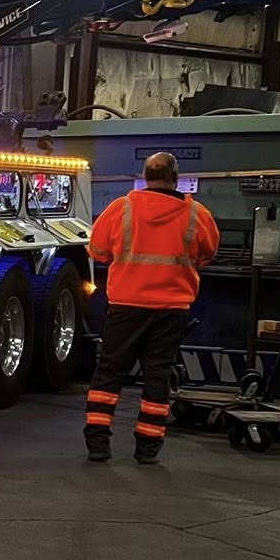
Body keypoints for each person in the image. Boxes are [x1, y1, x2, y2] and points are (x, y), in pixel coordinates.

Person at [84, 151, 220, 465]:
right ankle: (147, 448)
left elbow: (98, 251)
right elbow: (207, 254)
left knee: (109, 373)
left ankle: (98, 444)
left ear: (145, 177)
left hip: (126, 306)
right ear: (176, 178)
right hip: (172, 308)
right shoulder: (197, 214)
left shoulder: (121, 208)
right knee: (158, 375)